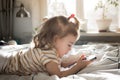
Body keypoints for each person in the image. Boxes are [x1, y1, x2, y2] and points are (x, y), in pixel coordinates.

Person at [0, 15, 92, 77]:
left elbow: (60, 63)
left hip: (11, 58)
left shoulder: (51, 49)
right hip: (6, 63)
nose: (71, 48)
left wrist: (76, 61)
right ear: (56, 39)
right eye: (69, 44)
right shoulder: (48, 54)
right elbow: (58, 74)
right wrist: (78, 67)